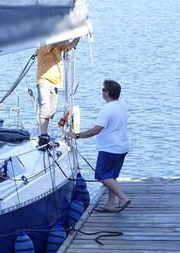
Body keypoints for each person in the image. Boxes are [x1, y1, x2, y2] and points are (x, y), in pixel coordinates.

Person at [69, 80, 131, 213]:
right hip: (122, 146)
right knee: (112, 176)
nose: (102, 92)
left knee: (102, 175)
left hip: (110, 148)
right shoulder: (122, 104)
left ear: (107, 93)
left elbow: (97, 129)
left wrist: (77, 135)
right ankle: (110, 204)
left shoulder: (107, 109)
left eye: (103, 90)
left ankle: (123, 197)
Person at [36, 38, 80, 147]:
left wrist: (79, 35)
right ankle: (43, 135)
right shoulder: (41, 45)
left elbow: (71, 45)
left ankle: (45, 133)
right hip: (44, 80)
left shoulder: (57, 47)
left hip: (55, 82)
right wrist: (65, 37)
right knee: (45, 108)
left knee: (51, 111)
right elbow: (54, 43)